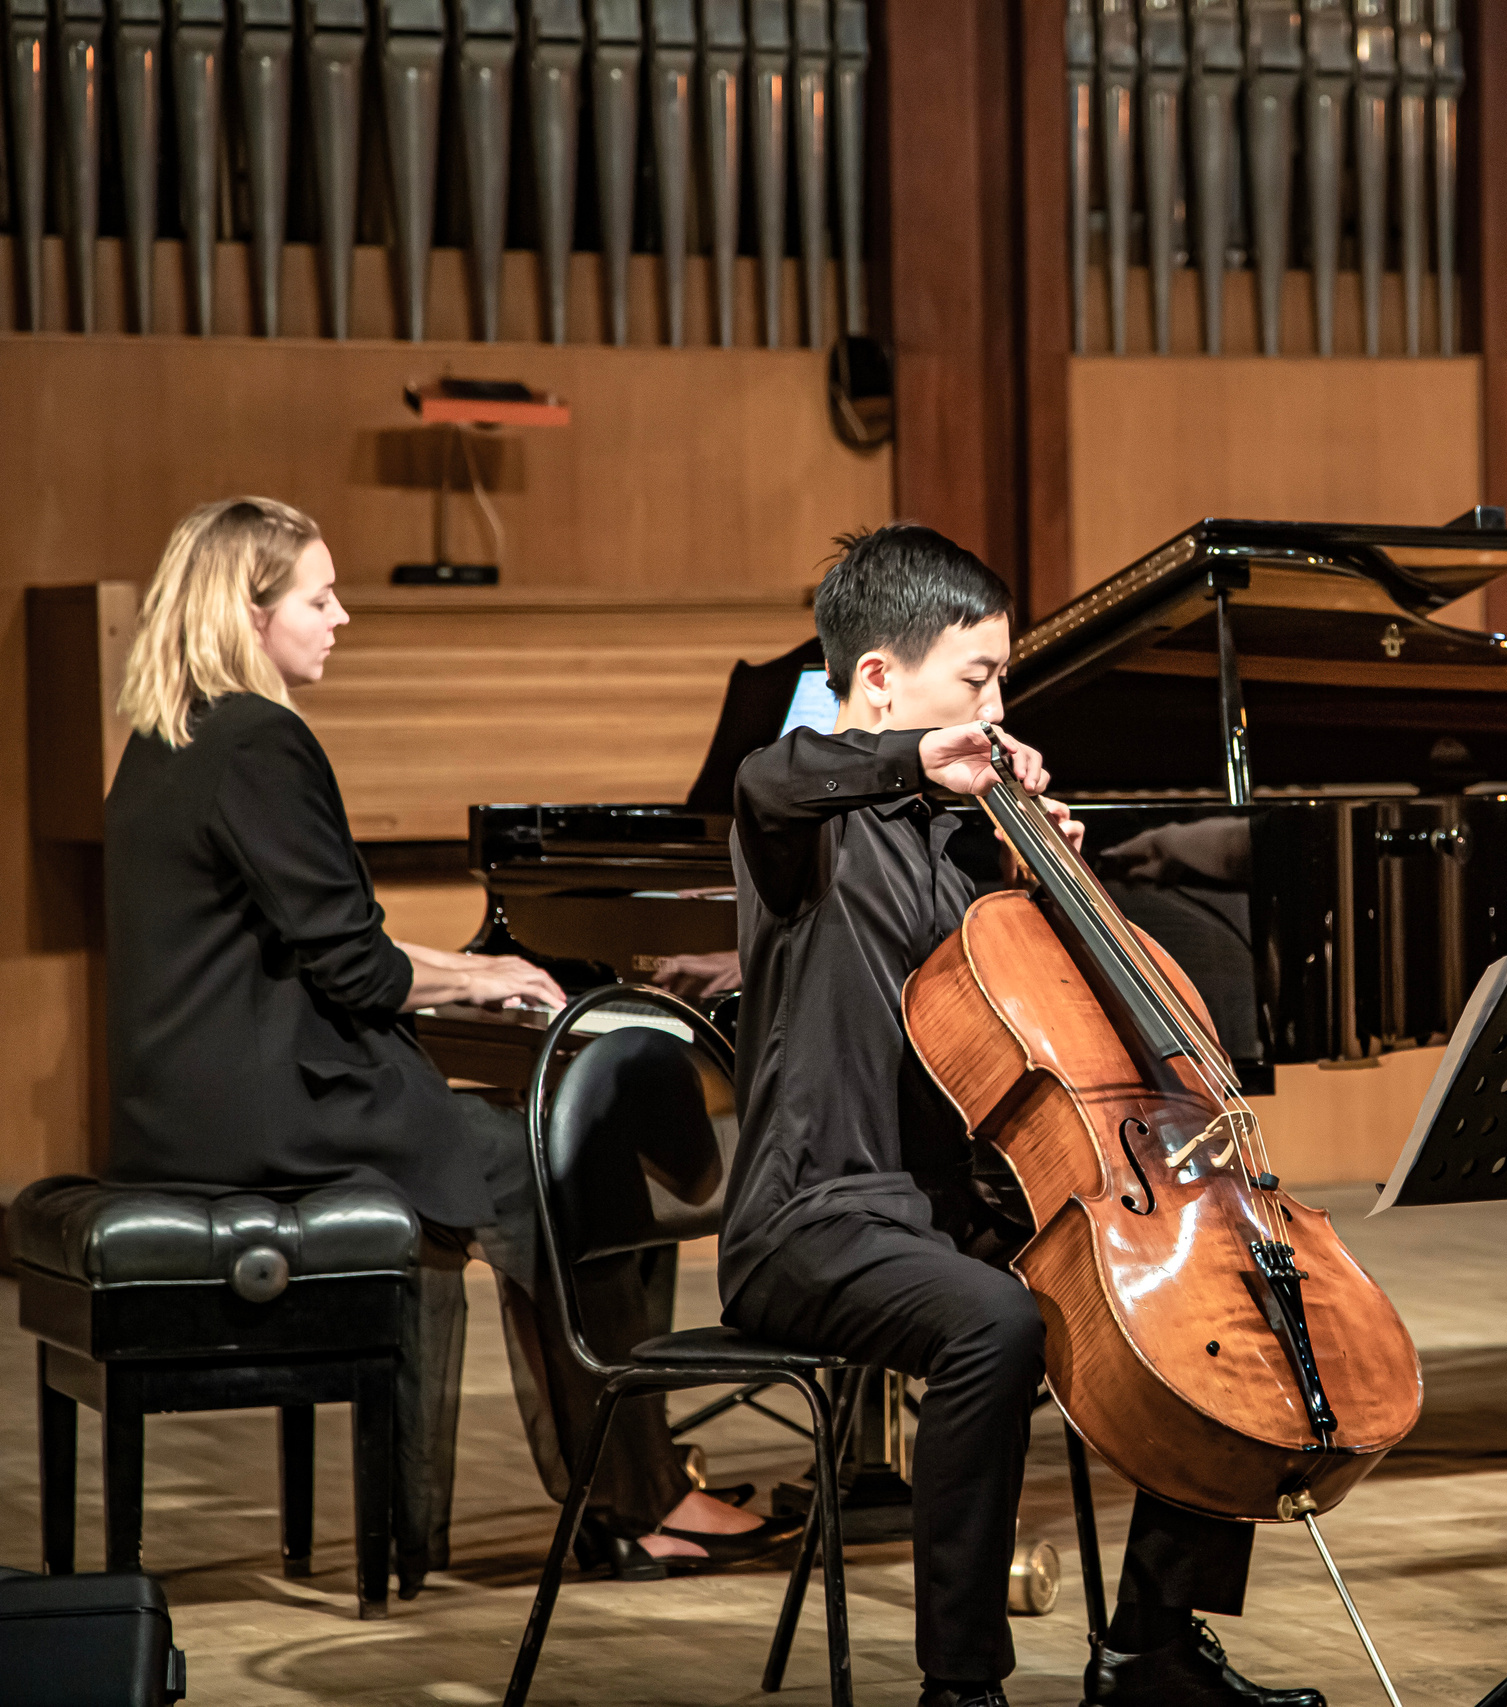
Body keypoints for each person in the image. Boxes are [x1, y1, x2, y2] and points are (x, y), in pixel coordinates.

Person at [103, 497, 781, 1588]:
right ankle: (639, 1499)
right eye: (319, 599)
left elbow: (319, 940)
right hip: (268, 1113)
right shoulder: (261, 741)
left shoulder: (171, 733)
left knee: (543, 1148)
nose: (342, 618)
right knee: (572, 1163)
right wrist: (483, 974)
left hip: (185, 1103)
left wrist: (472, 974)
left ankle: (624, 1482)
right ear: (250, 610)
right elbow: (359, 967)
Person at [718, 524, 1325, 1707]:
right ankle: (964, 1685)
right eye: (978, 678)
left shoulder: (970, 846)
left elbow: (1021, 1034)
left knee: (1211, 1308)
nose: (996, 706)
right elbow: (772, 774)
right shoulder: (803, 824)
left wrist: (1041, 876)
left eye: (1000, 681)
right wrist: (918, 764)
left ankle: (1150, 1642)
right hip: (814, 1220)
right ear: (881, 680)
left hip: (948, 1216)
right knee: (992, 1323)